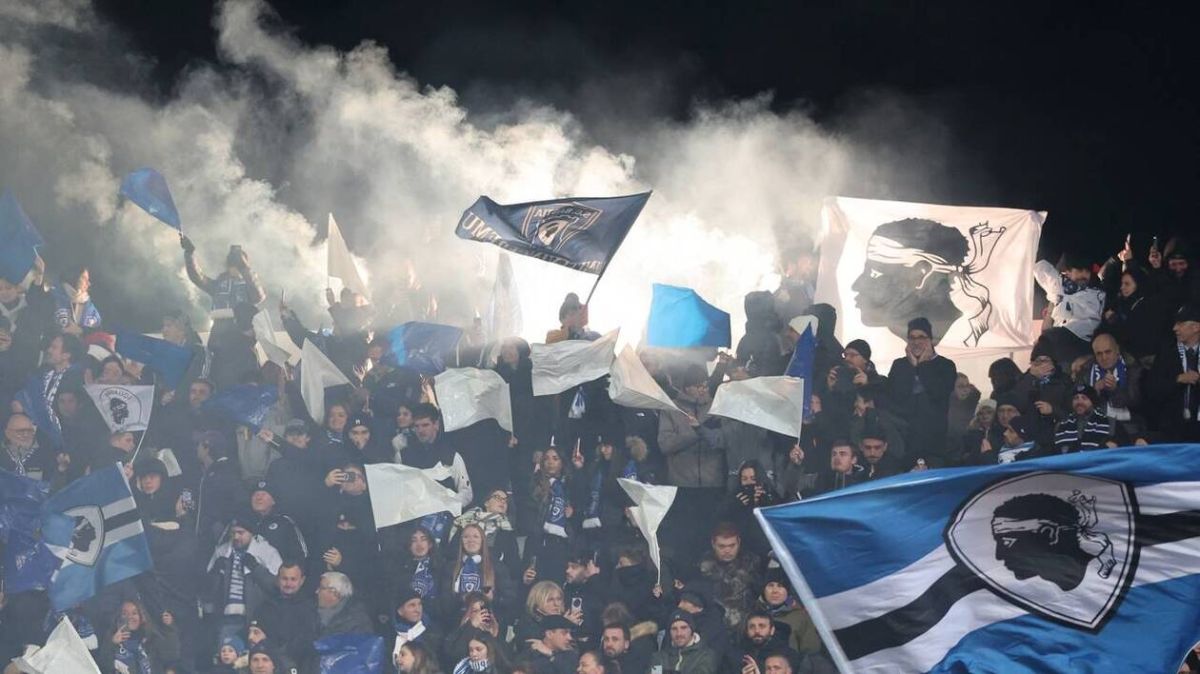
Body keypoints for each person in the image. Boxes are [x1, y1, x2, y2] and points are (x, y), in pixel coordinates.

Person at [852, 218, 1006, 347]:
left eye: (875, 272)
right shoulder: (895, 340)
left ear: (921, 274)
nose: (856, 285)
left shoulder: (958, 336)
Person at [658, 364, 726, 558]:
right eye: (698, 385)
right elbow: (665, 444)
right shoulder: (671, 408)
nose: (702, 389)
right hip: (682, 484)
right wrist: (696, 432)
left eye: (705, 385)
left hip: (712, 483)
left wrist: (703, 431)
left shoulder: (717, 407)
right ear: (687, 387)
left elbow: (722, 441)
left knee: (709, 534)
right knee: (684, 536)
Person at [885, 317, 957, 467]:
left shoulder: (945, 365)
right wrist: (912, 367)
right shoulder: (899, 365)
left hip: (934, 440)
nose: (916, 342)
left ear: (930, 340)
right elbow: (897, 396)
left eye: (921, 337)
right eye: (912, 338)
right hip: (904, 439)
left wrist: (923, 365)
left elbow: (938, 393)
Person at [205, 515, 282, 650]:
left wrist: (256, 569)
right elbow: (207, 590)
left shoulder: (267, 552)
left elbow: (277, 588)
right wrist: (216, 572)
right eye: (233, 532)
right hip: (227, 620)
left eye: (241, 533)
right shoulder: (221, 551)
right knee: (227, 659)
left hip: (257, 621)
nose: (236, 537)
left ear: (252, 533)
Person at [1034, 255, 1107, 367]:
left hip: (1080, 341)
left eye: (1087, 271)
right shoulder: (1059, 286)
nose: (1084, 275)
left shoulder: (1096, 295)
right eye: (1079, 271)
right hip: (1058, 339)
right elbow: (1040, 268)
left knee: (1053, 336)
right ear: (1068, 272)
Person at [1147, 304, 1200, 442]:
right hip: (1172, 428)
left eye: (1180, 324)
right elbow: (1152, 389)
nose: (1174, 328)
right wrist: (1178, 379)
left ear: (1196, 327)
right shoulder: (1166, 353)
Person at [697, 521, 763, 630]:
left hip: (748, 628)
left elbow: (771, 589)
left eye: (732, 545)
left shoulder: (753, 563)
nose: (727, 550)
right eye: (722, 546)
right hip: (713, 627)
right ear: (713, 544)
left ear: (739, 542)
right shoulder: (701, 567)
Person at [254, 560, 318, 669]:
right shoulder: (266, 606)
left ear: (302, 581)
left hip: (297, 666)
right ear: (278, 579)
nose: (288, 584)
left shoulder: (310, 608)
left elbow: (306, 642)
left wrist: (276, 652)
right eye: (284, 579)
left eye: (293, 579)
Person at [99, 600, 180, 674]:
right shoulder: (111, 641)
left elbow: (171, 658)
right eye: (124, 614)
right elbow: (102, 668)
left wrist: (169, 628)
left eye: (134, 613)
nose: (130, 617)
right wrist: (111, 643)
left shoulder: (151, 639)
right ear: (118, 617)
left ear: (141, 617)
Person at [247, 479, 308, 564]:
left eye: (263, 494)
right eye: (255, 494)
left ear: (273, 501)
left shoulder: (285, 523)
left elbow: (300, 554)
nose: (259, 498)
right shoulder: (244, 524)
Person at [724, 610, 799, 673]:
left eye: (762, 626)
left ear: (772, 630)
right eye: (752, 627)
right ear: (746, 631)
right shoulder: (734, 656)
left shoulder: (789, 656)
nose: (757, 631)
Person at [1050, 385, 1118, 454]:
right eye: (1076, 398)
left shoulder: (1109, 422)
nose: (1079, 402)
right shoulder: (1061, 425)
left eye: (1084, 398)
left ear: (1092, 401)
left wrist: (1105, 447)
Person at [649, 611, 718, 674]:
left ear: (692, 630)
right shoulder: (659, 657)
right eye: (674, 629)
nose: (679, 633)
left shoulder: (705, 655)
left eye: (684, 628)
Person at [315, 571, 374, 637]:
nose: (317, 591)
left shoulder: (357, 621)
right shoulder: (311, 612)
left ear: (335, 593)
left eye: (322, 588)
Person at [0, 412, 51, 481]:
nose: (25, 435)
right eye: (20, 431)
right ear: (7, 433)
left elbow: (52, 485)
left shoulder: (45, 454)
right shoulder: (2, 454)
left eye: (29, 431)